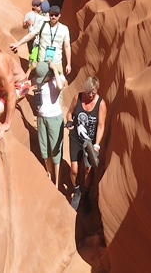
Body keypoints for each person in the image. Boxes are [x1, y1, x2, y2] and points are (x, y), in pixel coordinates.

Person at [66, 76, 106, 210]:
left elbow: (100, 126)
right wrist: (70, 121)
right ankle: (77, 191)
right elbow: (69, 113)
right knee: (75, 170)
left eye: (93, 93)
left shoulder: (101, 104)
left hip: (90, 142)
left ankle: (87, 195)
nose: (90, 95)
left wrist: (97, 145)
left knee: (88, 169)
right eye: (88, 92)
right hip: (76, 138)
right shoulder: (78, 98)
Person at [32, 60, 67, 186]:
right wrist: (30, 68)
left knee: (55, 150)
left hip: (54, 119)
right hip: (42, 118)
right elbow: (26, 83)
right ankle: (49, 173)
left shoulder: (57, 79)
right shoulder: (39, 80)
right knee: (44, 148)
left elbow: (60, 87)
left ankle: (57, 182)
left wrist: (55, 70)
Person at [11, 4, 71, 75]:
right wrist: (18, 44)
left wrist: (68, 64)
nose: (53, 17)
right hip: (42, 62)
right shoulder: (42, 24)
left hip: (56, 62)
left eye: (56, 15)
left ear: (59, 15)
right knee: (41, 82)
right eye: (52, 14)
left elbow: (67, 46)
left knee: (58, 83)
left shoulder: (64, 29)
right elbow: (30, 35)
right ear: (49, 14)